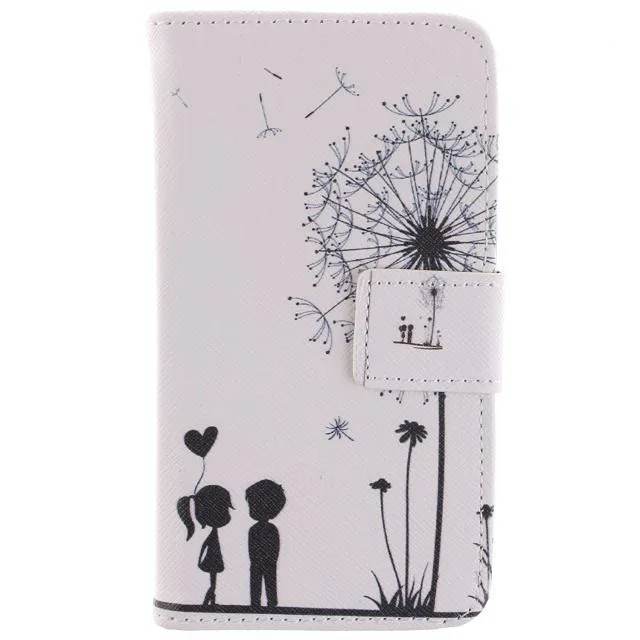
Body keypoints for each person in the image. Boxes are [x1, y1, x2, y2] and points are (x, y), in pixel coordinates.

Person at [177, 485, 234, 607]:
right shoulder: (212, 535)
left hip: (213, 559)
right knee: (213, 582)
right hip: (212, 559)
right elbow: (204, 546)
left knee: (213, 581)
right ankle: (209, 599)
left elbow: (204, 545)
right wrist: (199, 560)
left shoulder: (213, 534)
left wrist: (200, 560)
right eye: (224, 508)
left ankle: (211, 600)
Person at [245, 479, 286, 608]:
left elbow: (273, 548)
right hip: (263, 563)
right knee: (263, 583)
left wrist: (264, 560)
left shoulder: (259, 529)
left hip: (263, 563)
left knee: (265, 583)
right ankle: (258, 603)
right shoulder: (261, 529)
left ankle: (265, 604)